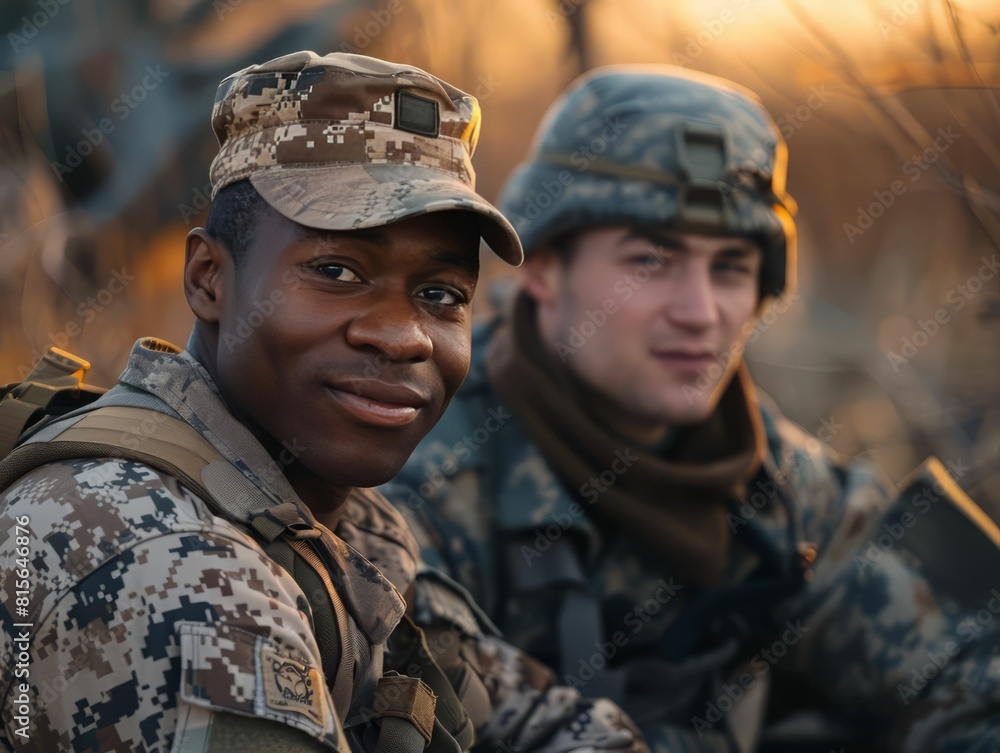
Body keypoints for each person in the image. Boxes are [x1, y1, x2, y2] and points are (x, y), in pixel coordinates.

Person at [0, 51, 647, 753]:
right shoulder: (156, 552)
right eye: (338, 271)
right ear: (209, 278)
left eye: (440, 295)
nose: (403, 337)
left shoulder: (319, 511)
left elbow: (553, 724)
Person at [380, 66, 1000, 751]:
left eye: (731, 267)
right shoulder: (413, 467)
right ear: (545, 271)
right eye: (651, 260)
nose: (700, 313)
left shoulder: (783, 486)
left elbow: (969, 674)